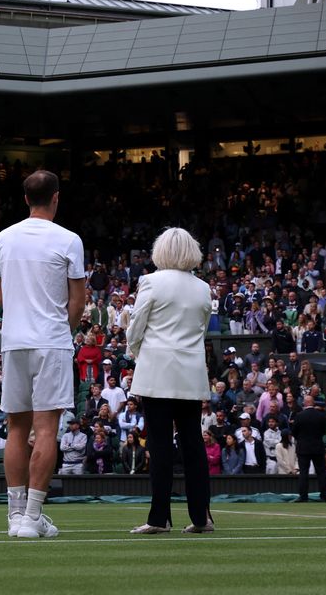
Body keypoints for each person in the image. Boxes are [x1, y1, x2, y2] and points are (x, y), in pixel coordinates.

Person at [0, 170, 86, 539]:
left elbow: (2, 298)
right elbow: (77, 302)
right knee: (46, 428)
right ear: (56, 198)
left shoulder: (3, 238)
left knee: (17, 428)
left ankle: (17, 517)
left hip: (14, 341)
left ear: (25, 198)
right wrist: (64, 332)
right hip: (51, 341)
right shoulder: (69, 239)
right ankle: (31, 517)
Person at [125, 227, 214, 535]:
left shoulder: (150, 282)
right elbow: (201, 330)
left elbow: (135, 328)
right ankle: (202, 516)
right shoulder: (203, 288)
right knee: (193, 444)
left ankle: (159, 517)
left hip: (156, 371)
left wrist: (140, 353)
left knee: (160, 445)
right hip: (190, 372)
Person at [291, 395, 326, 502]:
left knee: (303, 473)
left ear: (304, 403)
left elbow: (294, 432)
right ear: (313, 403)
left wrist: (302, 439)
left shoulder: (299, 416)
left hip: (303, 448)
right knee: (321, 472)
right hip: (317, 447)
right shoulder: (320, 416)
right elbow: (323, 431)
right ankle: (324, 496)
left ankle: (303, 497)